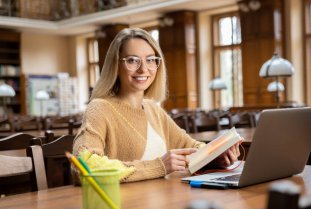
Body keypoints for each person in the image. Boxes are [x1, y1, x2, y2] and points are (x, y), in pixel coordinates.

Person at [73, 28, 240, 182]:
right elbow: (83, 166)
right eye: (132, 60)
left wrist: (214, 156)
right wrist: (159, 166)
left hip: (163, 201)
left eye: (151, 60)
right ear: (116, 66)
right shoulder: (100, 108)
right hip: (127, 207)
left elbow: (189, 146)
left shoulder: (153, 108)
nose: (143, 69)